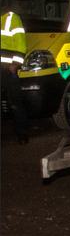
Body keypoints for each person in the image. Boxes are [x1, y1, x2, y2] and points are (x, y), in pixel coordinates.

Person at [1, 11, 29, 143]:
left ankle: (22, 134)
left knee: (15, 103)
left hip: (8, 69)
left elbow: (20, 44)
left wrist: (15, 64)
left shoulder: (11, 18)